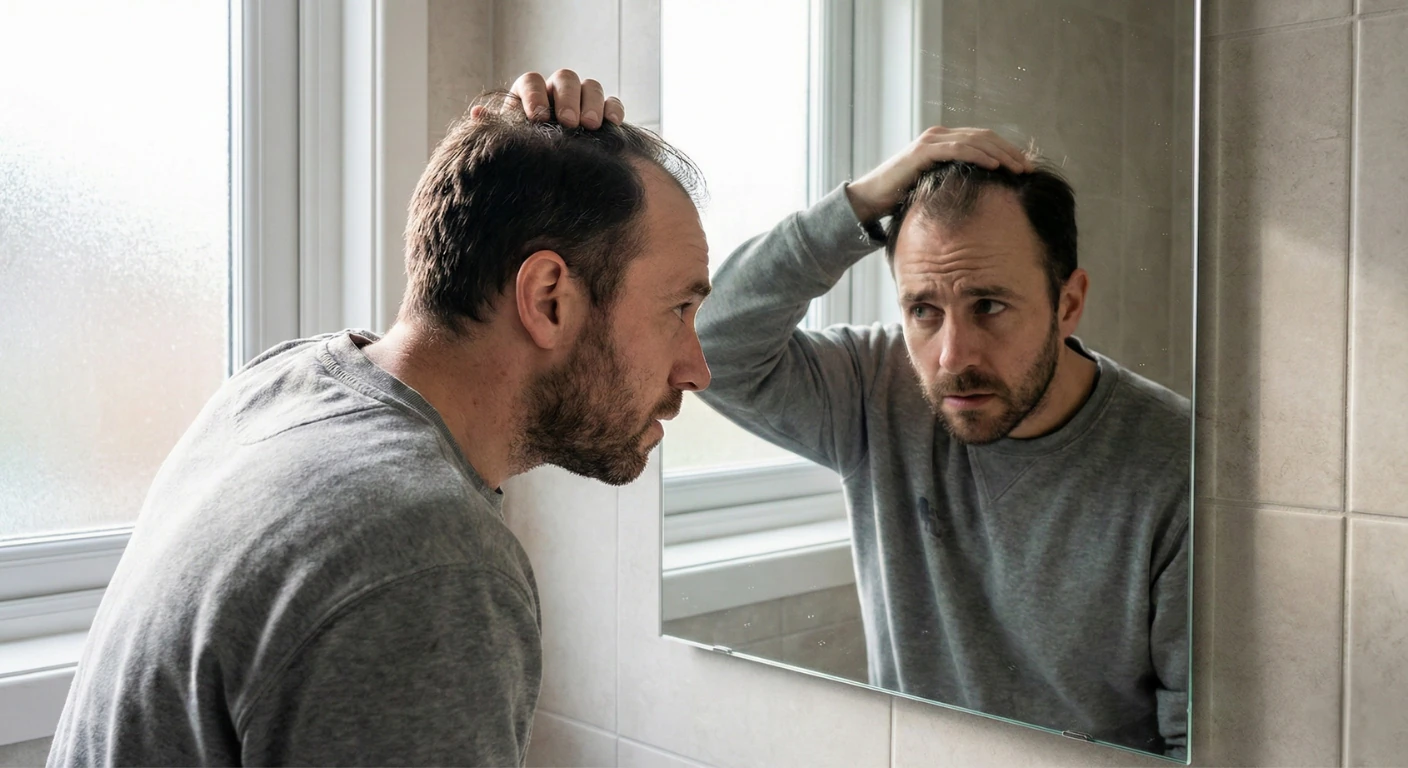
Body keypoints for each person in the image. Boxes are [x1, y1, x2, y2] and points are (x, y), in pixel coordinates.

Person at [47, 71, 711, 767]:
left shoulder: (285, 385)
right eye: (678, 312)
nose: (696, 368)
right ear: (547, 298)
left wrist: (512, 158)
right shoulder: (429, 563)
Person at [694, 129, 1191, 756]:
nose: (953, 357)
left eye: (988, 305)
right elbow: (708, 344)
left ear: (1068, 304)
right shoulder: (877, 388)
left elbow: (1194, 742)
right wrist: (858, 205)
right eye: (923, 310)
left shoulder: (1177, 462)